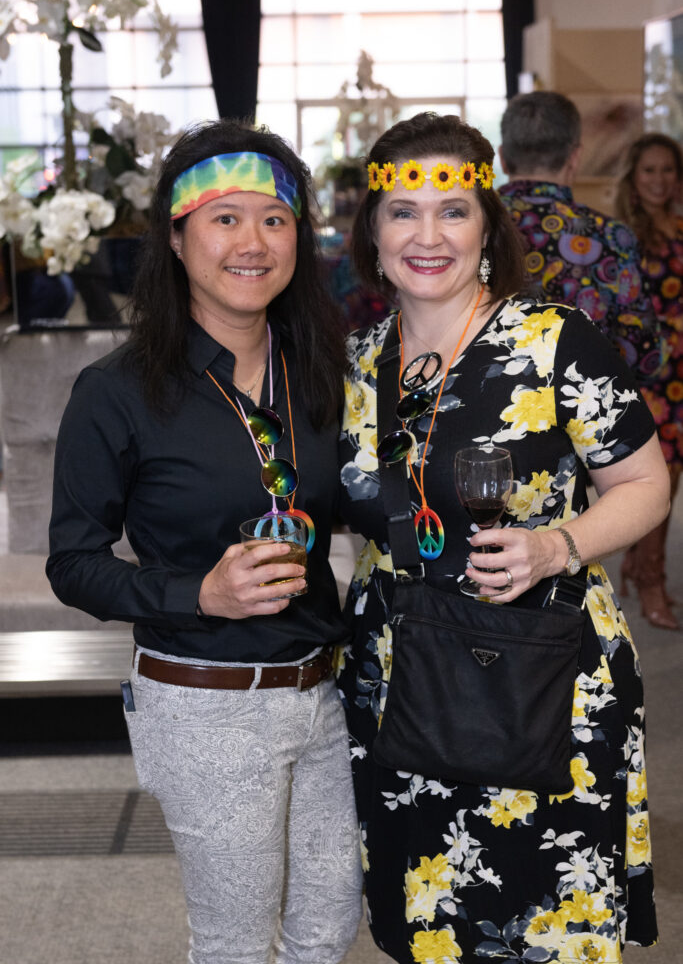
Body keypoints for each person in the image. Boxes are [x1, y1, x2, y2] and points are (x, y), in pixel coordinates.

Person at [337, 111, 669, 964]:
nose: (427, 234)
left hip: (540, 673)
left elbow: (644, 487)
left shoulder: (555, 342)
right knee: (429, 926)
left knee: (544, 926)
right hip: (399, 680)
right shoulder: (353, 361)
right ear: (371, 234)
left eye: (451, 211)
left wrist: (557, 544)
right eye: (401, 212)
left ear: (486, 225)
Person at [47, 119, 362, 964]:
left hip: (323, 692)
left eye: (274, 217)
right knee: (233, 945)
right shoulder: (116, 392)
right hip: (205, 704)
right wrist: (199, 593)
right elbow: (72, 565)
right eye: (224, 218)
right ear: (177, 238)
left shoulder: (320, 372)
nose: (252, 242)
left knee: (328, 929)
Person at [498, 91, 664, 385]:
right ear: (575, 157)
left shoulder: (468, 228)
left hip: (481, 413)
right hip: (583, 419)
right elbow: (643, 357)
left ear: (503, 158)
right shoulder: (611, 237)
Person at [615, 132, 683, 630]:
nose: (660, 180)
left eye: (667, 170)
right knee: (659, 476)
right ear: (634, 181)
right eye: (649, 171)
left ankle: (639, 566)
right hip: (650, 375)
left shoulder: (681, 229)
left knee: (672, 478)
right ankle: (651, 580)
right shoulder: (625, 238)